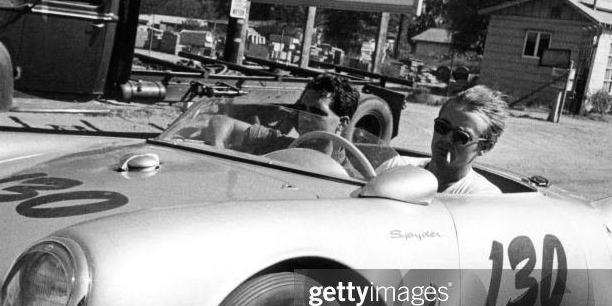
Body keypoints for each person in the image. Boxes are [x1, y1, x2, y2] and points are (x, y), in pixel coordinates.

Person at [377, 85, 509, 195]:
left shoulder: (482, 196)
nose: (446, 139)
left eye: (461, 136)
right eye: (442, 127)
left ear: (485, 147)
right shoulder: (397, 167)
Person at [204, 74, 360, 156]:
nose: (305, 117)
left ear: (342, 123)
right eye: (302, 109)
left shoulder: (349, 178)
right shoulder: (281, 145)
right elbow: (221, 122)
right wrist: (218, 149)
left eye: (317, 112)